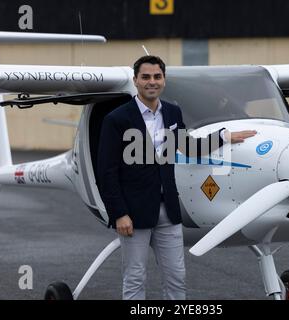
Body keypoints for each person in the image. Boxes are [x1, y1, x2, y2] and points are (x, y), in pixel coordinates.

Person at [97, 56, 256, 300]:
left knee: (177, 277)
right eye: (146, 77)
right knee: (135, 278)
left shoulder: (172, 112)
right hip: (133, 212)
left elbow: (189, 147)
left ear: (164, 80)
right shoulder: (116, 119)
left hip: (168, 210)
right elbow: (106, 172)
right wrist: (119, 213)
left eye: (157, 77)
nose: (152, 82)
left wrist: (223, 136)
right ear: (135, 81)